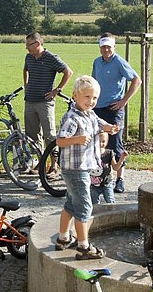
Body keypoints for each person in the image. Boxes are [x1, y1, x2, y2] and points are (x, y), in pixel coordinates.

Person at [54, 75, 120, 260]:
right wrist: (77, 139)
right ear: (75, 96)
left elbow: (99, 124)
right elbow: (59, 140)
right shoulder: (71, 118)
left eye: (94, 98)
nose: (91, 101)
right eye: (87, 97)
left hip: (82, 167)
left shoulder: (90, 114)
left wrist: (109, 128)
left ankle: (63, 238)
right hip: (75, 169)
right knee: (84, 206)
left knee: (70, 203)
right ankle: (83, 247)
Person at [91, 32, 141, 193]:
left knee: (115, 143)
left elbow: (136, 80)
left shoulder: (119, 62)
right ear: (100, 47)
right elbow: (93, 83)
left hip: (114, 109)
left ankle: (120, 179)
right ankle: (101, 177)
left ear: (114, 47)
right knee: (98, 142)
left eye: (109, 47)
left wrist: (123, 101)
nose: (106, 50)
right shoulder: (97, 62)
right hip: (97, 108)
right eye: (103, 47)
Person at [23, 32, 73, 153]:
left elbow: (68, 72)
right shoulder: (29, 57)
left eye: (29, 44)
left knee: (49, 135)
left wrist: (57, 90)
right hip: (29, 100)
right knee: (32, 135)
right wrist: (26, 85)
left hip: (45, 102)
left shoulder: (51, 58)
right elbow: (25, 70)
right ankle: (39, 162)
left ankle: (53, 164)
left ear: (38, 43)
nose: (27, 47)